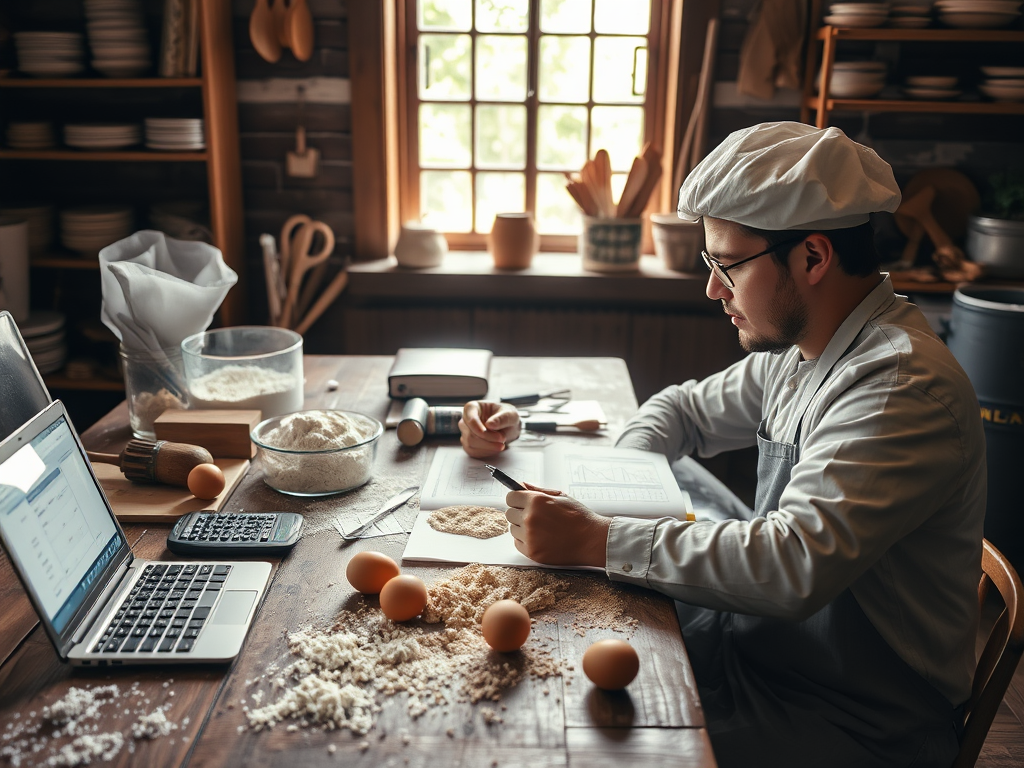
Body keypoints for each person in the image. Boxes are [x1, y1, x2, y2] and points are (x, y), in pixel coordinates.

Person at [458, 122, 986, 768]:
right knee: (558, 678)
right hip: (769, 652)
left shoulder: (899, 387)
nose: (712, 289)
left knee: (596, 747)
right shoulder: (804, 351)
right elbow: (681, 410)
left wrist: (597, 539)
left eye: (726, 265)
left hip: (854, 718)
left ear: (813, 258)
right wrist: (608, 486)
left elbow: (792, 561)